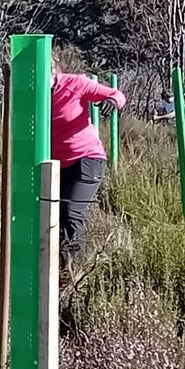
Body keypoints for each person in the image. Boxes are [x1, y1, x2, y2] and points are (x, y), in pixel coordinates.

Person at [51, 54, 126, 270]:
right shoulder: (34, 94)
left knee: (71, 213)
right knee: (52, 213)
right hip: (57, 163)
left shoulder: (75, 83)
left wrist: (112, 102)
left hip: (86, 158)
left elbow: (117, 94)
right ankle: (55, 268)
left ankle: (75, 272)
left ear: (54, 70)